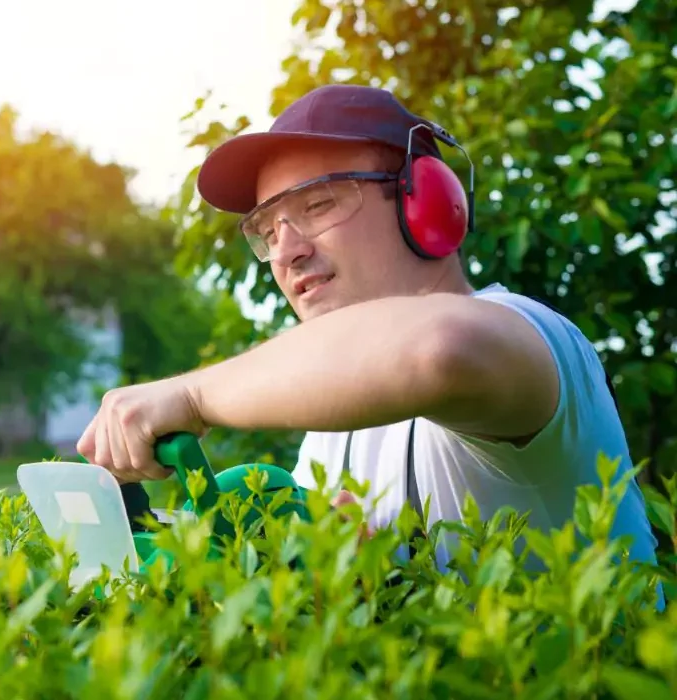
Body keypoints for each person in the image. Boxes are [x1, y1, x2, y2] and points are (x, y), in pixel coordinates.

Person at [75, 83, 659, 576]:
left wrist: (192, 394)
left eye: (318, 206)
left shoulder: (529, 337)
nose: (288, 253)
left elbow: (437, 349)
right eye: (268, 230)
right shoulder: (332, 424)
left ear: (425, 202)